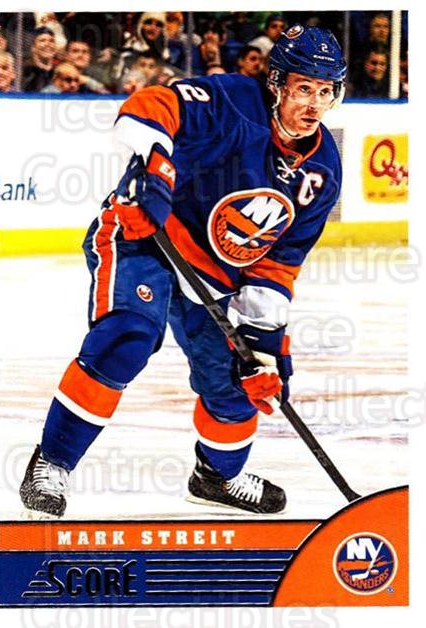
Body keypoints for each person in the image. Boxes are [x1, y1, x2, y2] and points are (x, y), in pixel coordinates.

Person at [20, 24, 346, 517]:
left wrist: (264, 348)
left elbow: (279, 264)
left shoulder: (324, 171)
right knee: (128, 338)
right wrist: (156, 170)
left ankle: (216, 477)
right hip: (147, 237)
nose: (313, 105)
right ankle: (52, 463)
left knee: (238, 383)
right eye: (304, 89)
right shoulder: (233, 100)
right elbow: (150, 106)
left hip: (212, 278)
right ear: (277, 83)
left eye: (325, 92)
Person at [22, 27, 57, 92]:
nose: (48, 44)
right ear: (33, 47)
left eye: (51, 41)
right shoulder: (25, 72)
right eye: (42, 40)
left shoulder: (59, 72)